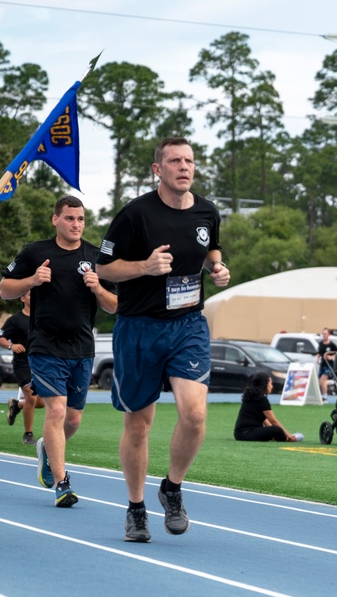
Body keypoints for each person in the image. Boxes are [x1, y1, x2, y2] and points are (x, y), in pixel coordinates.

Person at [95, 137, 230, 541]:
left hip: (187, 324)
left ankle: (172, 487)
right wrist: (145, 266)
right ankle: (136, 509)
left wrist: (218, 268)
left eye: (189, 160)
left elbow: (211, 248)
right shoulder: (135, 214)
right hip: (139, 326)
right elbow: (103, 269)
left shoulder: (207, 211)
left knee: (195, 414)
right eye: (174, 161)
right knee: (139, 423)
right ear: (158, 169)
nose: (184, 167)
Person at [0, 195, 118, 508]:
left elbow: (114, 305)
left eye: (80, 219)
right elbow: (4, 288)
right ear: (56, 220)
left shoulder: (95, 256)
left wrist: (98, 287)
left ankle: (47, 450)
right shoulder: (36, 252)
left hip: (81, 347)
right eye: (69, 218)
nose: (76, 224)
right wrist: (32, 280)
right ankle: (62, 483)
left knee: (74, 421)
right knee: (55, 410)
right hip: (45, 345)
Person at [0, 291, 41, 446]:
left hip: (41, 364)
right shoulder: (15, 320)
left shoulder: (43, 318)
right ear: (22, 298)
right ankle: (28, 434)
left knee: (42, 402)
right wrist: (11, 345)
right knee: (31, 395)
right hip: (22, 364)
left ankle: (17, 405)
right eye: (29, 295)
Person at [234, 372, 303, 442]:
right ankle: (288, 439)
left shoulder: (251, 396)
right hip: (247, 433)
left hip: (240, 434)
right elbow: (273, 421)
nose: (272, 386)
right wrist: (288, 434)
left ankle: (274, 436)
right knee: (277, 429)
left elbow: (265, 419)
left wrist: (271, 431)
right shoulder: (262, 399)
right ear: (264, 384)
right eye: (270, 383)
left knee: (273, 429)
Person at [316, 327, 337, 396]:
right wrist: (317, 358)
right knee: (320, 381)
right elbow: (319, 352)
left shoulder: (332, 345)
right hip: (322, 365)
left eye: (325, 334)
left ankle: (325, 397)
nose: (324, 335)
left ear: (329, 335)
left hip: (329, 366)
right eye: (323, 334)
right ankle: (331, 383)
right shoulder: (321, 344)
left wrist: (331, 357)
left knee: (322, 380)